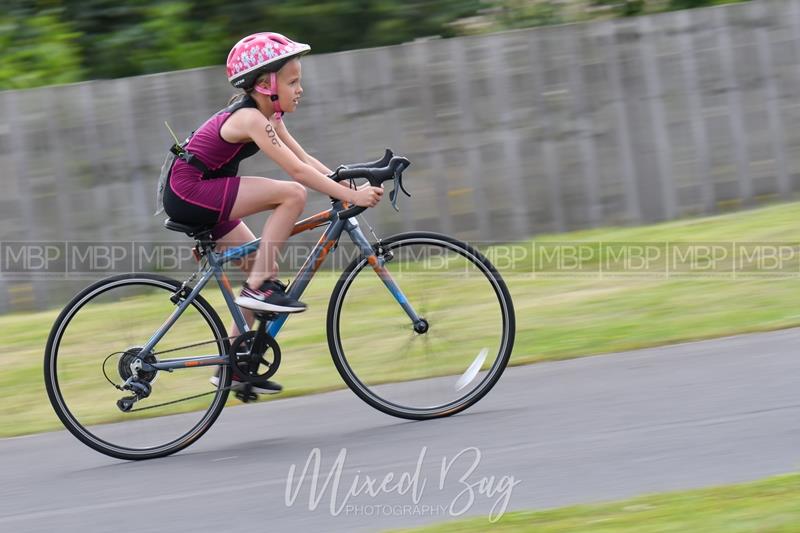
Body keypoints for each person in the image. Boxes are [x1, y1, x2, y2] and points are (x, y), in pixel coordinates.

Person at [162, 32, 384, 394]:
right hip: (190, 191)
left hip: (203, 194)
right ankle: (255, 291)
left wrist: (345, 188)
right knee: (291, 195)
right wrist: (350, 195)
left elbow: (304, 160)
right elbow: (297, 175)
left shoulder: (270, 114)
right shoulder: (251, 119)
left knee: (261, 268)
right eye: (293, 81)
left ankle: (232, 367)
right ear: (266, 84)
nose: (300, 89)